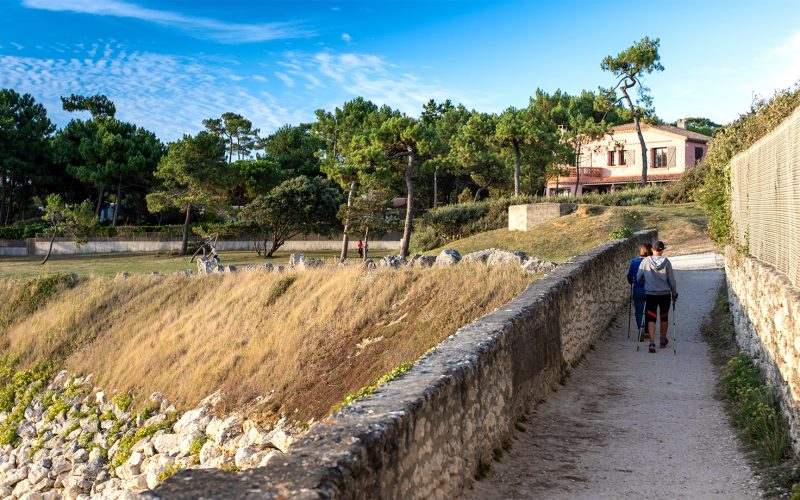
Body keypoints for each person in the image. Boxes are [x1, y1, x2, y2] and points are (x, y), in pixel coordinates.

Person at [637, 240, 678, 353]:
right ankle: (662, 340)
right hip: (664, 294)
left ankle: (652, 342)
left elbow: (639, 277)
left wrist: (647, 280)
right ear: (662, 250)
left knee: (651, 317)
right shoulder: (667, 262)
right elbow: (672, 281)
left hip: (650, 293)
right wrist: (674, 294)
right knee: (664, 317)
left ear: (653, 250)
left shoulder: (645, 261)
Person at [627, 243, 653, 340]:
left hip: (638, 289)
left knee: (639, 312)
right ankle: (647, 331)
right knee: (649, 311)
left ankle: (640, 328)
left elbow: (629, 276)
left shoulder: (634, 261)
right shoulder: (651, 261)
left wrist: (630, 281)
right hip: (650, 289)